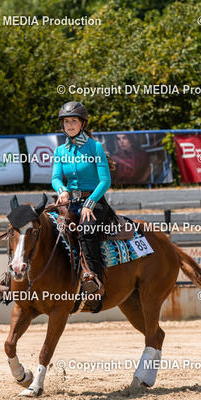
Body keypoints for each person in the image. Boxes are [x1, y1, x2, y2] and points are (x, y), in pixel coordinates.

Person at [52, 101, 117, 295]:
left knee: (87, 230)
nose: (69, 125)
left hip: (95, 202)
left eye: (74, 120)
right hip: (70, 202)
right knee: (48, 228)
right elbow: (56, 178)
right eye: (66, 121)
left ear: (82, 123)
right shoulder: (59, 151)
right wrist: (62, 190)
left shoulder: (95, 147)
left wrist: (89, 204)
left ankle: (94, 281)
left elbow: (105, 180)